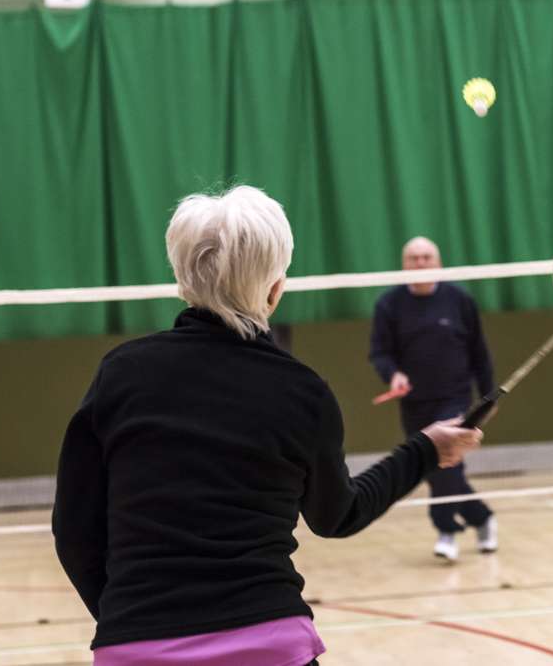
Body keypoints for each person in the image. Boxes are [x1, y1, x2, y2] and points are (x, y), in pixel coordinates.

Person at [52, 186, 482, 665]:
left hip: (135, 642)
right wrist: (425, 450)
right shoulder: (302, 391)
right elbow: (338, 515)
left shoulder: (119, 375)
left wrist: (129, 619)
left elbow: (74, 530)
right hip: (271, 641)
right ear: (277, 289)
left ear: (180, 280)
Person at [369, 236, 498, 562]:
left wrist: (488, 397)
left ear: (438, 262)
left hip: (455, 398)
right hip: (414, 402)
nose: (421, 263)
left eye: (427, 257)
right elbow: (380, 353)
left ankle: (446, 531)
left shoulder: (459, 300)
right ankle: (482, 517)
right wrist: (393, 374)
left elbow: (479, 353)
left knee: (448, 461)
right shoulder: (389, 304)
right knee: (430, 465)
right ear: (404, 264)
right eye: (414, 258)